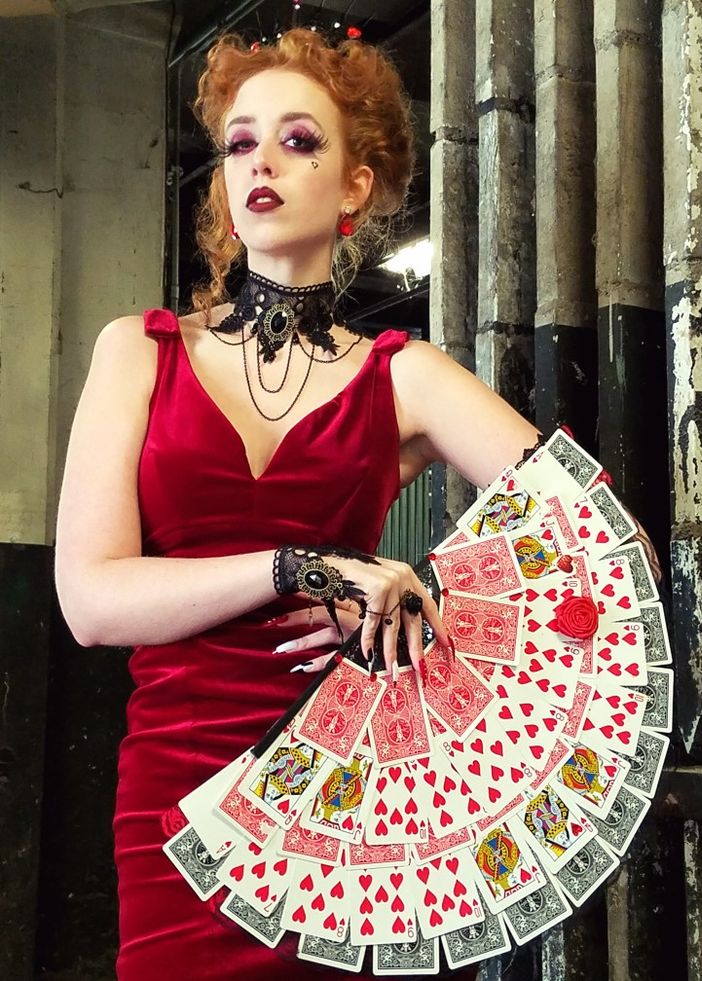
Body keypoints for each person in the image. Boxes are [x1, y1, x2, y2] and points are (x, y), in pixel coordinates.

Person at [54, 27, 658, 981]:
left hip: (353, 796)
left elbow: (605, 542)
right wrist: (302, 567)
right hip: (174, 783)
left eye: (299, 142)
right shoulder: (138, 348)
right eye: (240, 143)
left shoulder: (402, 373)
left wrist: (432, 598)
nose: (261, 162)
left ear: (354, 187)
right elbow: (90, 602)